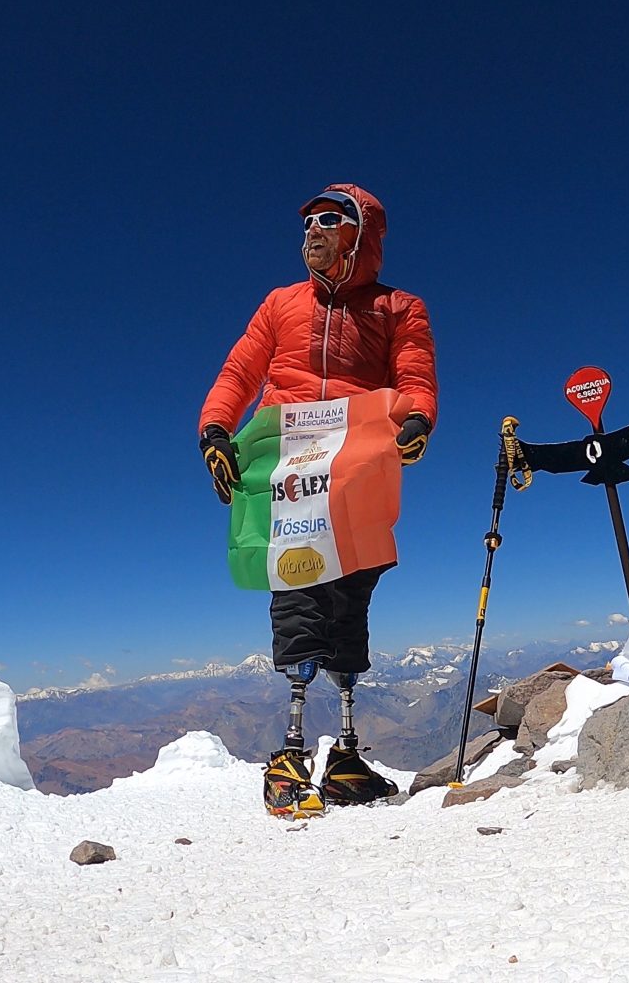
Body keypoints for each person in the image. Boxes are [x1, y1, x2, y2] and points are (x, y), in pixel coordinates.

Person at [198, 184, 438, 817]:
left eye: (328, 220)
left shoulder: (398, 308)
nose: (311, 231)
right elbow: (240, 372)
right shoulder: (281, 304)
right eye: (306, 221)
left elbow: (413, 374)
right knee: (299, 585)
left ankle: (346, 758)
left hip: (358, 463)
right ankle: (291, 752)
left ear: (360, 234)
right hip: (291, 464)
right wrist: (216, 429)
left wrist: (417, 419)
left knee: (352, 590)